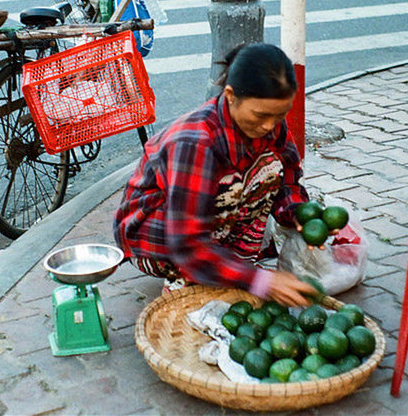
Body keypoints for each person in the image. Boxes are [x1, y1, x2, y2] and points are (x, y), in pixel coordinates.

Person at [113, 43, 318, 307]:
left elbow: (289, 179)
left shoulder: (271, 126)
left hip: (208, 223)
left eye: (279, 116)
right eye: (261, 115)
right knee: (237, 183)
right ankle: (191, 276)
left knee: (268, 168)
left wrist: (297, 214)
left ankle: (227, 264)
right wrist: (260, 280)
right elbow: (187, 242)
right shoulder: (195, 142)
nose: (269, 125)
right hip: (160, 236)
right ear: (230, 95)